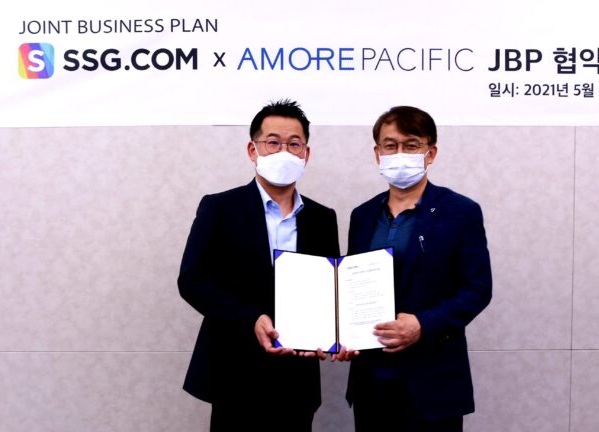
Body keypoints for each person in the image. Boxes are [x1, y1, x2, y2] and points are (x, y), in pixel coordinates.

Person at [178, 99, 340, 431]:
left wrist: (335, 332)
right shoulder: (220, 208)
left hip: (298, 378)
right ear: (253, 150)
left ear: (306, 154)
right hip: (235, 373)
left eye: (294, 144)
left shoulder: (322, 218)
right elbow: (192, 280)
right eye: (273, 142)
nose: (284, 152)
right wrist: (250, 317)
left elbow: (330, 289)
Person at [336, 106, 492, 431]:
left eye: (411, 145)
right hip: (371, 383)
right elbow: (351, 285)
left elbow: (477, 289)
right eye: (390, 146)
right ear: (377, 154)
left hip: (432, 382)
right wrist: (342, 334)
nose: (400, 154)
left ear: (430, 153)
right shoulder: (362, 215)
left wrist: (423, 324)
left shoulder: (460, 211)